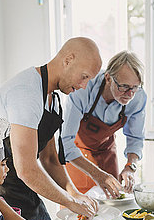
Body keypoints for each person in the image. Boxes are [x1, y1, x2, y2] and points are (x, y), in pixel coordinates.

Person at [0, 36, 102, 220]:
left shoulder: (53, 100)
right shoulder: (26, 92)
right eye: (84, 77)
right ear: (68, 60)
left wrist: (74, 193)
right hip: (2, 194)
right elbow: (26, 170)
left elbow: (49, 159)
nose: (83, 86)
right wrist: (70, 201)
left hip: (25, 190)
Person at [62, 50, 147, 197]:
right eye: (124, 86)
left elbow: (136, 138)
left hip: (107, 154)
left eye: (135, 87)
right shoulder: (83, 89)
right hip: (77, 157)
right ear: (108, 78)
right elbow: (65, 144)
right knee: (78, 211)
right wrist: (98, 175)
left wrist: (130, 167)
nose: (130, 94)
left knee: (112, 209)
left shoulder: (138, 98)